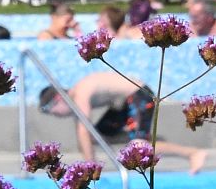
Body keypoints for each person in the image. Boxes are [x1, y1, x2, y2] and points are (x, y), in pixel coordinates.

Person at [37, 71, 207, 173]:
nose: (56, 117)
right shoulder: (77, 99)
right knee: (98, 137)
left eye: (52, 112)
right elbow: (85, 139)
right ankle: (145, 141)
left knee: (138, 147)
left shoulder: (81, 92)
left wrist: (91, 170)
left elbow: (83, 132)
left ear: (58, 99)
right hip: (124, 102)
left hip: (139, 95)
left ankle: (192, 153)